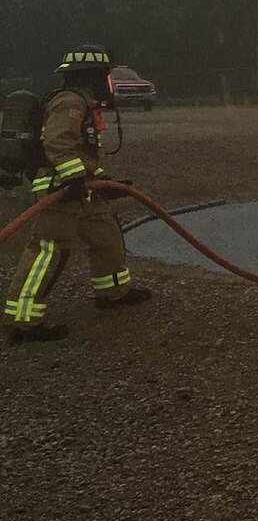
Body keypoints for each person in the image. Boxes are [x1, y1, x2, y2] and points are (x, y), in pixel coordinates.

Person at [4, 45, 152, 344]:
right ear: (94, 76)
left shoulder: (85, 102)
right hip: (59, 190)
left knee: (106, 234)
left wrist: (102, 181)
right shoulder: (70, 102)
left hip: (81, 190)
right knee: (50, 250)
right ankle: (23, 320)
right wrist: (73, 178)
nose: (110, 81)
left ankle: (113, 292)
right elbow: (58, 144)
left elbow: (82, 154)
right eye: (106, 74)